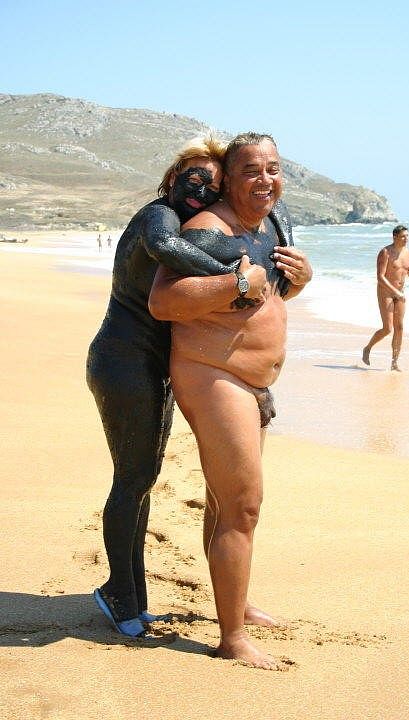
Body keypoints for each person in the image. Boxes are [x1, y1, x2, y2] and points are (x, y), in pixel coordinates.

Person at [86, 136, 293, 638]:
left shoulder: (227, 222)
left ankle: (180, 598)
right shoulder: (163, 218)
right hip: (126, 358)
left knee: (195, 488)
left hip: (161, 360)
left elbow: (266, 282)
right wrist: (236, 280)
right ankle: (121, 592)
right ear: (171, 179)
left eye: (211, 185)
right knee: (135, 477)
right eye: (193, 179)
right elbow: (167, 279)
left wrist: (289, 276)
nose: (202, 190)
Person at [149, 132, 313, 669]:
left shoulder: (267, 227)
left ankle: (234, 604)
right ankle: (233, 638)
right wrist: (235, 283)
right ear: (229, 179)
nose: (266, 179)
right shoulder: (207, 229)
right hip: (215, 375)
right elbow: (164, 299)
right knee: (242, 505)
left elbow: (270, 294)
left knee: (225, 502)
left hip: (254, 382)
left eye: (273, 168)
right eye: (251, 171)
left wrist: (302, 279)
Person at [362, 224, 409, 371]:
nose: (406, 239)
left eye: (407, 236)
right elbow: (380, 277)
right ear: (395, 237)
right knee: (387, 328)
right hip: (385, 292)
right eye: (403, 236)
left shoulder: (408, 253)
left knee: (400, 327)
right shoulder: (385, 252)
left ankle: (394, 363)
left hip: (400, 292)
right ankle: (368, 348)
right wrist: (395, 292)